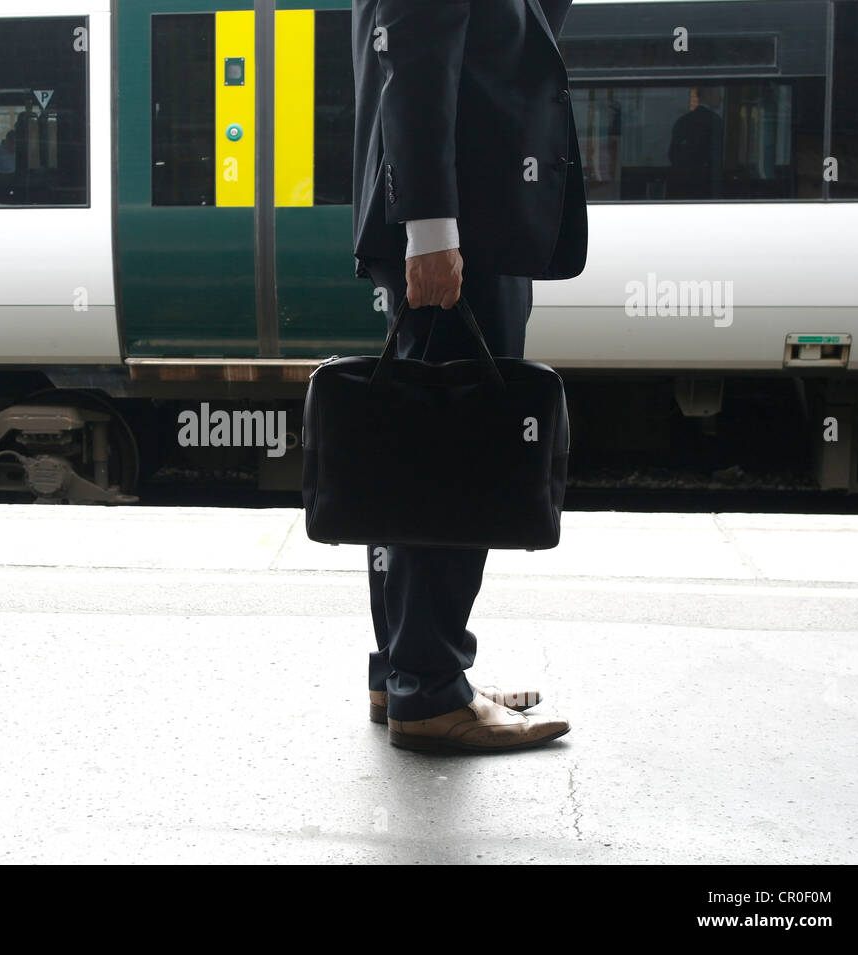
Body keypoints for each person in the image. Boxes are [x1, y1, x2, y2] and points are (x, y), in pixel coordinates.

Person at [351, 0, 588, 752]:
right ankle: (430, 687)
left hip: (450, 222)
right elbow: (419, 50)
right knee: (457, 449)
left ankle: (408, 669)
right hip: (459, 226)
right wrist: (432, 228)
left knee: (411, 439)